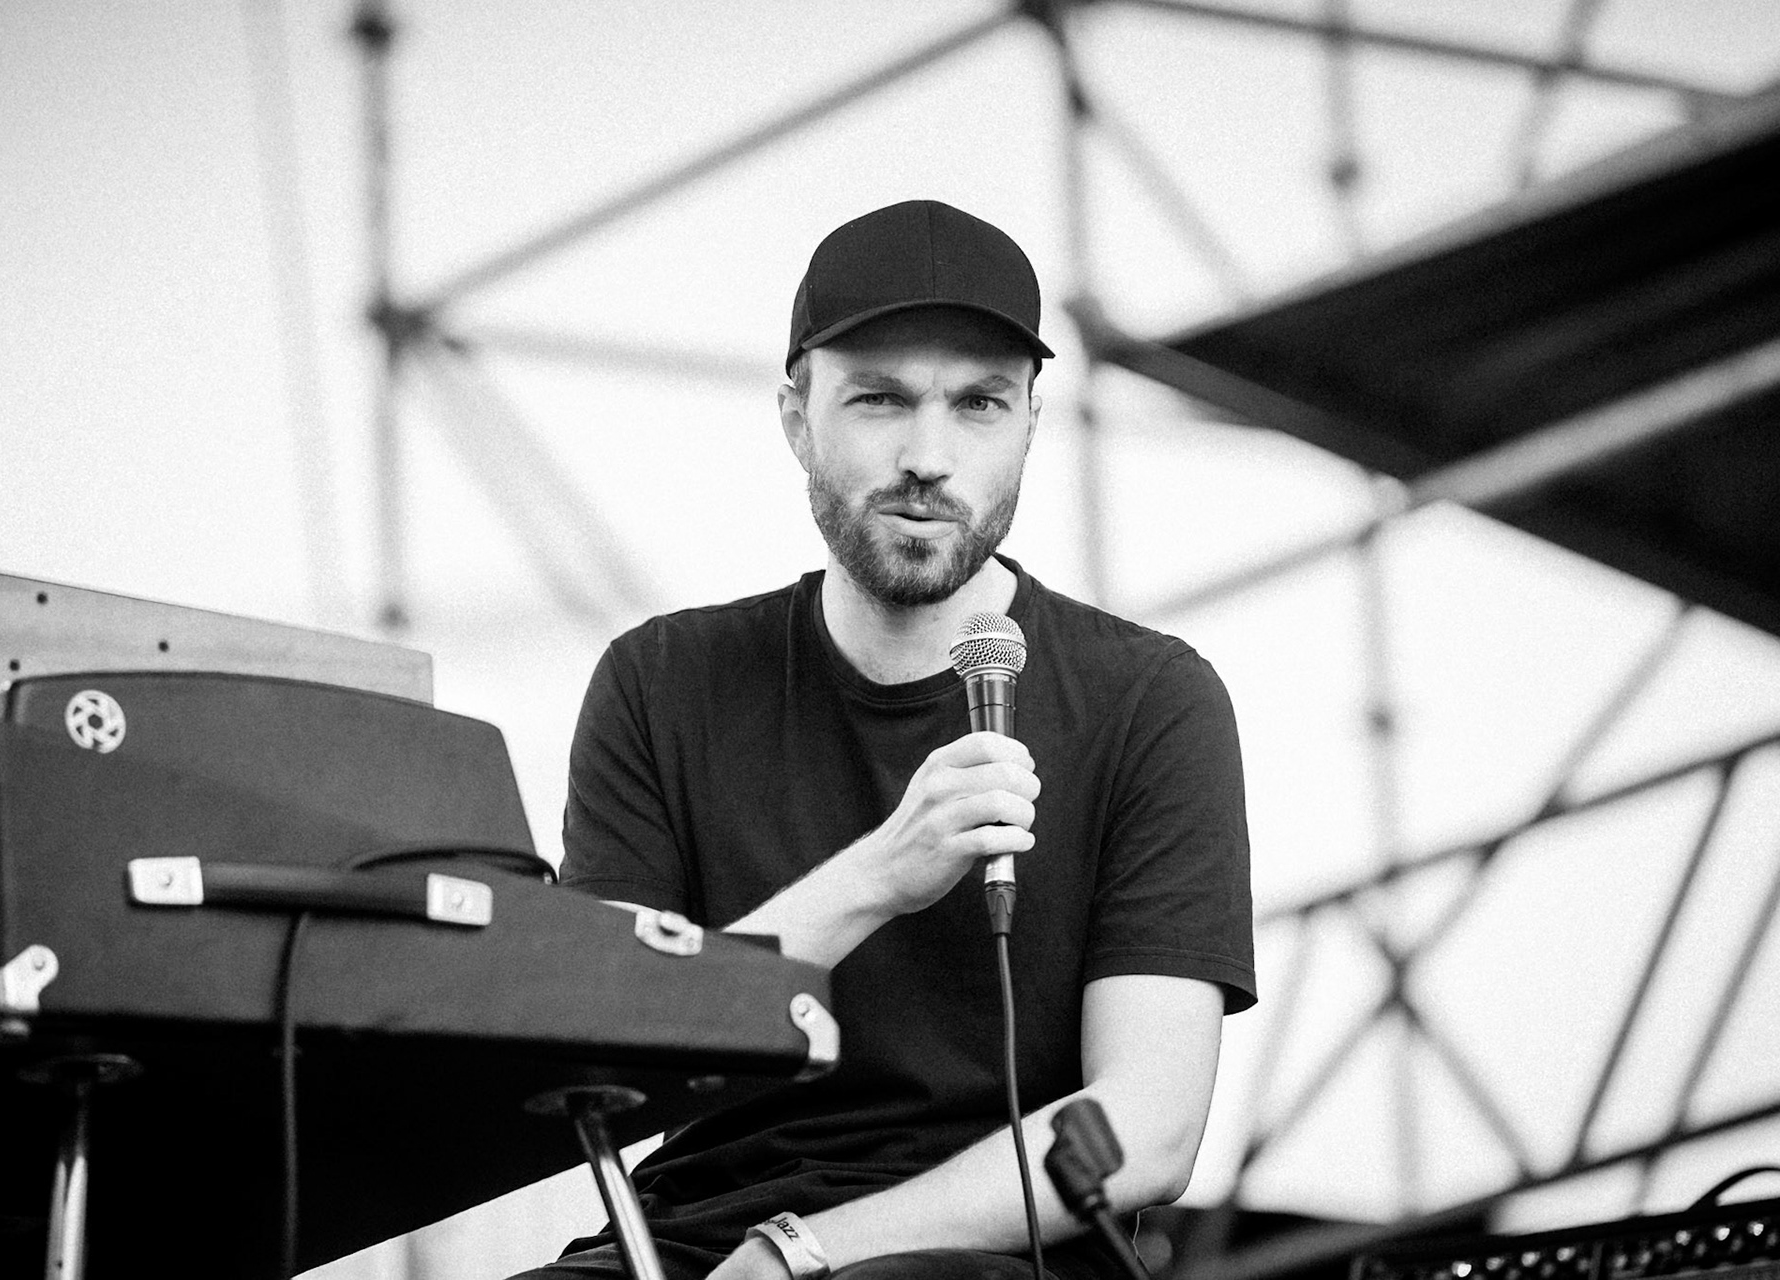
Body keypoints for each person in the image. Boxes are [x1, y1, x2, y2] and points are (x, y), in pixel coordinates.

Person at [527, 199, 1254, 1280]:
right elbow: (604, 1051)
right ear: (795, 415)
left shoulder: (1150, 697)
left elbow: (1149, 1126)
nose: (928, 454)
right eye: (879, 400)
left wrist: (806, 1250)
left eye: (979, 404)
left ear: (1030, 423)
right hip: (683, 1241)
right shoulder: (661, 680)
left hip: (986, 1253)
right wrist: (880, 871)